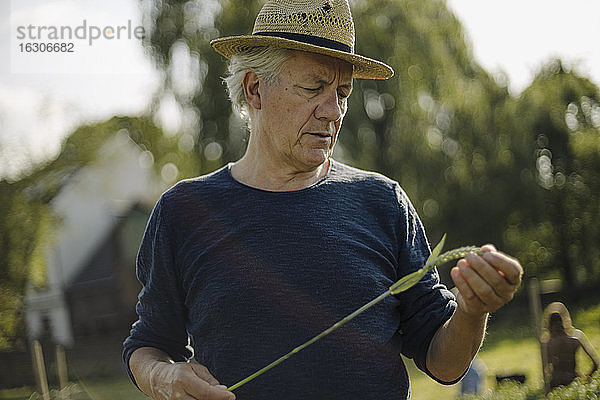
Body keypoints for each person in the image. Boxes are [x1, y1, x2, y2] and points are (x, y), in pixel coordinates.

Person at [123, 1, 523, 399]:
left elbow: (446, 363)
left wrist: (472, 311)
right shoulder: (184, 211)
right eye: (313, 87)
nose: (333, 111)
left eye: (343, 92)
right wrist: (164, 378)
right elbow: (149, 343)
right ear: (254, 88)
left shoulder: (383, 203)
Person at [541, 302, 599, 394]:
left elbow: (545, 369)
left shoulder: (547, 342)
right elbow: (596, 363)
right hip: (574, 382)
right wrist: (586, 379)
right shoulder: (576, 338)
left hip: (555, 385)